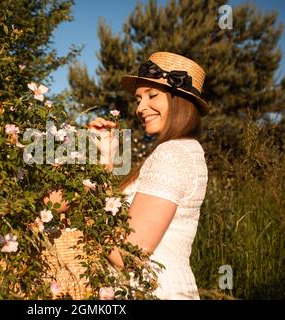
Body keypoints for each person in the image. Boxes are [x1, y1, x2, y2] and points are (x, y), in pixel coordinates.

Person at [88, 52, 208, 300]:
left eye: (152, 96)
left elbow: (127, 255)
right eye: (139, 98)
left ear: (180, 100)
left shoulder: (172, 154)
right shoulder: (183, 149)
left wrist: (82, 214)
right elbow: (121, 222)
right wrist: (105, 158)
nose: (140, 107)